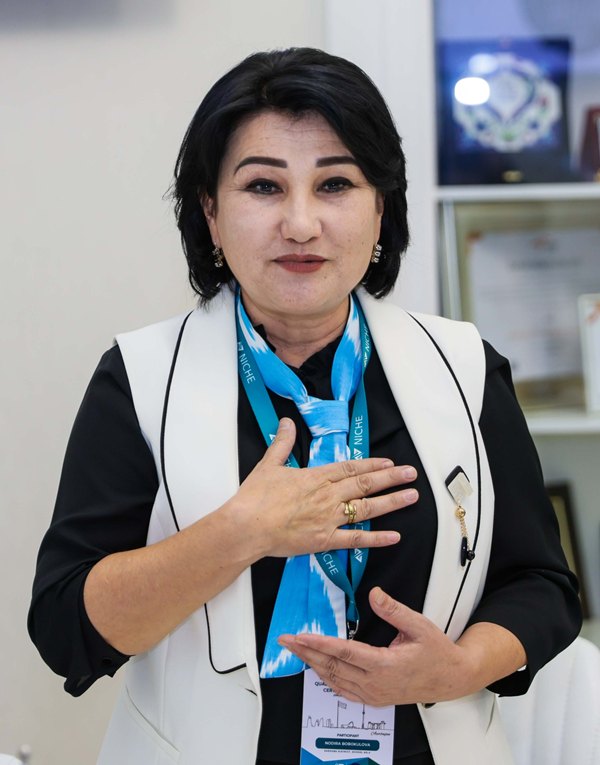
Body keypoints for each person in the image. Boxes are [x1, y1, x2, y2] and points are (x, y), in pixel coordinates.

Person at [28, 47, 581, 765]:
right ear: (210, 212)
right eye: (263, 186)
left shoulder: (465, 367)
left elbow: (540, 584)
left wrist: (460, 668)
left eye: (335, 184)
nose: (299, 223)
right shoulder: (140, 377)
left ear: (380, 208)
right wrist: (241, 532)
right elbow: (66, 627)